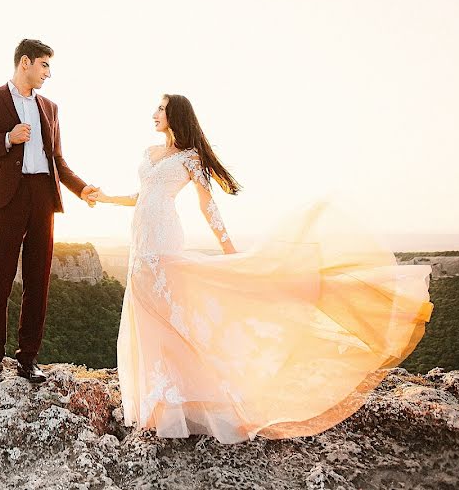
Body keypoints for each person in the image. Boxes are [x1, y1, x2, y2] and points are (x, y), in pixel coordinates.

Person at [93, 94, 434, 443]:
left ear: (176, 115)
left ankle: (191, 402)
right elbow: (143, 195)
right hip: (140, 241)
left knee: (171, 320)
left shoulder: (190, 158)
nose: (154, 114)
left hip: (164, 240)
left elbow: (206, 203)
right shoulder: (150, 154)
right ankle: (159, 403)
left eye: (161, 109)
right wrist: (105, 198)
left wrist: (229, 250)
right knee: (147, 318)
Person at [0, 39, 98, 389]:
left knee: (38, 282)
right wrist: (7, 138)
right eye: (44, 66)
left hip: (42, 197)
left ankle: (28, 359)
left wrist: (82, 189)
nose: (49, 74)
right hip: (6, 198)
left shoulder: (50, 107)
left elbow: (58, 160)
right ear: (25, 62)